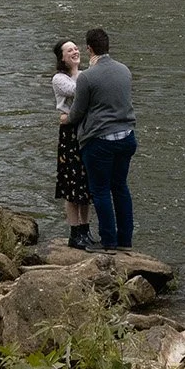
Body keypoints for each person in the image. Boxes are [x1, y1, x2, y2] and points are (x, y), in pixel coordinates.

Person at [62, 26, 136, 251]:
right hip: (127, 137)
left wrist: (65, 119)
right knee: (120, 188)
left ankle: (109, 242)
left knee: (101, 191)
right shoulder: (124, 70)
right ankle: (125, 241)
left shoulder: (87, 77)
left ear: (89, 49)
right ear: (108, 47)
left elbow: (77, 113)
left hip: (100, 141)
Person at [49, 40, 93, 249]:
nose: (75, 52)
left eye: (76, 48)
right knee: (71, 183)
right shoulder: (59, 78)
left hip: (86, 129)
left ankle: (86, 229)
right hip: (70, 134)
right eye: (70, 50)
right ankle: (74, 233)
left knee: (86, 183)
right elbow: (80, 92)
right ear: (62, 57)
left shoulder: (85, 75)